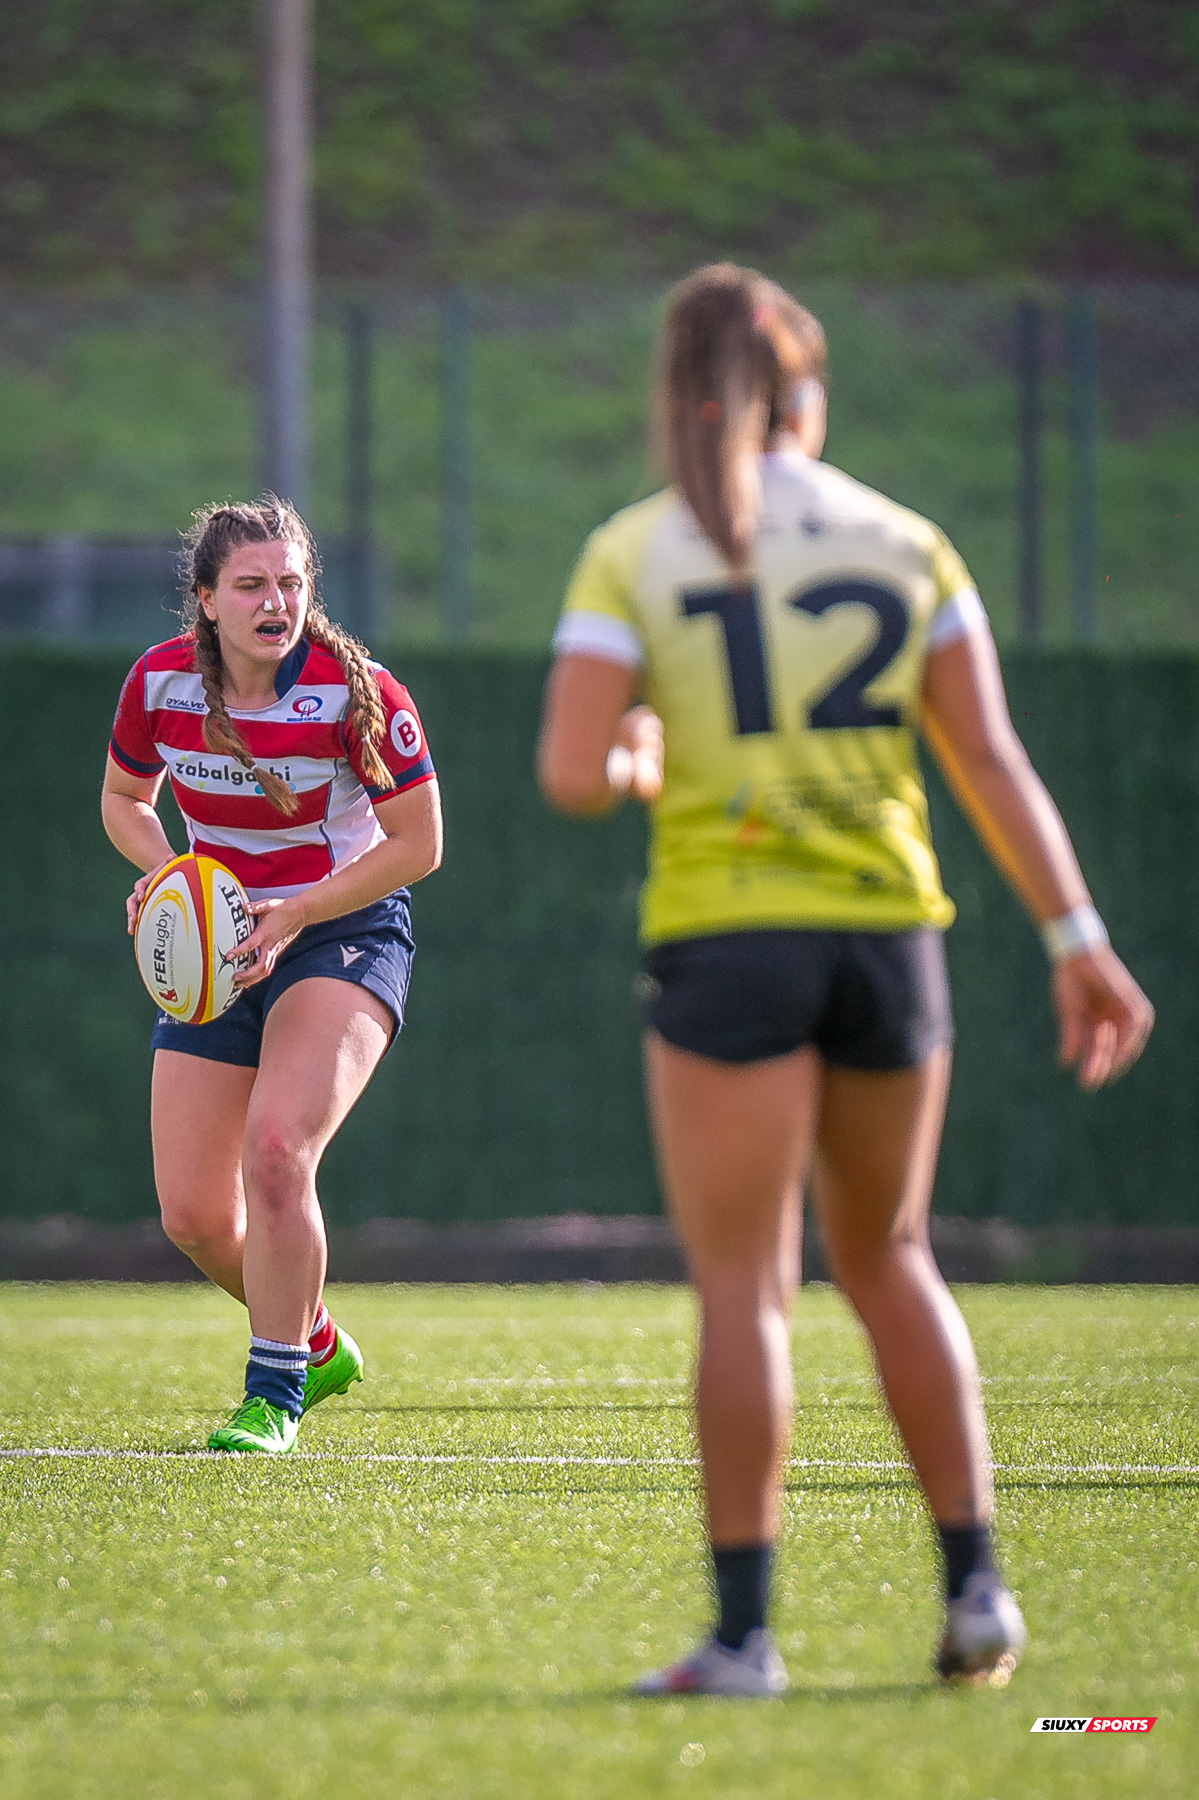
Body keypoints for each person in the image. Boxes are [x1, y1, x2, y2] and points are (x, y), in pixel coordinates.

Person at [537, 264, 1154, 1694]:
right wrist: (1074, 939)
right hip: (887, 934)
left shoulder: (636, 548)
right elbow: (986, 759)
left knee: (746, 1288)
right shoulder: (905, 540)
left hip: (727, 941)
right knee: (889, 1256)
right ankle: (975, 1594)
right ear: (803, 399)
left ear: (679, 396)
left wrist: (638, 750)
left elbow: (574, 771)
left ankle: (745, 1640)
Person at [102, 497, 442, 1455]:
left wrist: (300, 909)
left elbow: (420, 845)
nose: (275, 601)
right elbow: (126, 798)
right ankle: (315, 1339)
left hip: (344, 931)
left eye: (290, 583)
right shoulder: (160, 683)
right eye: (251, 585)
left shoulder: (357, 691)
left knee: (281, 1149)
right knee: (198, 1217)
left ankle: (273, 1396)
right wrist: (165, 870)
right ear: (206, 600)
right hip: (224, 943)